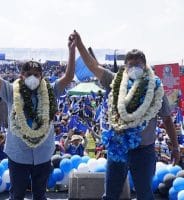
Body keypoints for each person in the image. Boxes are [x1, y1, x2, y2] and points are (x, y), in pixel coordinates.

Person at [71, 31, 180, 200]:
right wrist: (79, 44)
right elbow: (93, 66)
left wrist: (174, 146)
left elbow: (167, 119)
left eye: (138, 64)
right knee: (111, 195)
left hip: (144, 151)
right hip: (118, 148)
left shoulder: (156, 89)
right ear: (125, 67)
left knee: (144, 194)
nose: (135, 67)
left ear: (145, 66)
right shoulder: (114, 81)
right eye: (131, 64)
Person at [0, 29, 76, 200]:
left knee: (40, 196)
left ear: (41, 77)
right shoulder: (12, 91)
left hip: (43, 153)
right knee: (17, 195)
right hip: (18, 154)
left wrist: (72, 51)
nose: (32, 77)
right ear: (22, 75)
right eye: (28, 74)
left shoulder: (50, 91)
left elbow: (69, 76)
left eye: (36, 74)